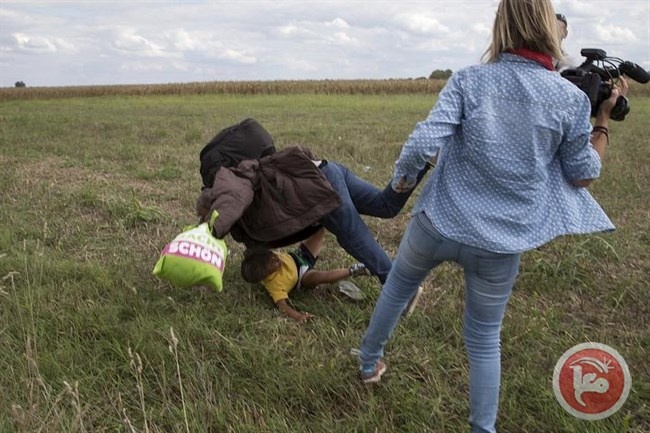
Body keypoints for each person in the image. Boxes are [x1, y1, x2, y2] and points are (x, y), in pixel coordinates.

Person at [356, 1, 628, 433]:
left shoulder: (469, 80)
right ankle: (483, 428)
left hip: (437, 222)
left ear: (501, 26)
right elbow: (582, 176)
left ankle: (368, 364)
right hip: (500, 245)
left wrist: (402, 185)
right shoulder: (570, 98)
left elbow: (421, 144)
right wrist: (603, 120)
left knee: (397, 289)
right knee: (484, 339)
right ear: (549, 31)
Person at [240, 228, 369, 323]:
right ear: (266, 274)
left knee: (320, 229)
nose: (276, 258)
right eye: (272, 263)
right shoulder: (275, 285)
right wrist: (298, 316)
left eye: (273, 255)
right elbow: (283, 307)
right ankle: (354, 270)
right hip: (302, 276)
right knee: (318, 277)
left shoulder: (263, 257)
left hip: (300, 256)